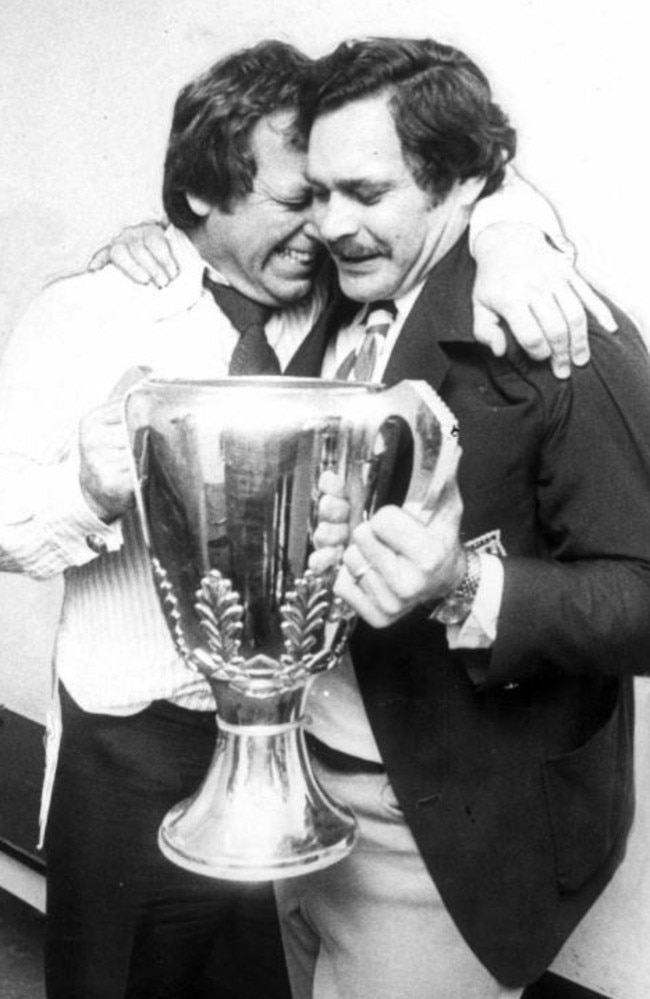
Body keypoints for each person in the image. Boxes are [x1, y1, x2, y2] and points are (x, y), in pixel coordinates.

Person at [0, 36, 618, 999]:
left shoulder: (355, 303)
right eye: (300, 200)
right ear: (202, 196)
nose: (325, 230)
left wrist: (513, 235)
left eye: (342, 198)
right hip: (134, 747)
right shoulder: (96, 311)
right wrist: (87, 486)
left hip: (311, 765)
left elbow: (463, 186)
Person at [263, 36, 650, 999]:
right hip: (302, 796)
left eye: (366, 192)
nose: (329, 225)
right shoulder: (333, 299)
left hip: (439, 842)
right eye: (317, 194)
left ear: (464, 183)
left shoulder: (556, 332)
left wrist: (462, 585)